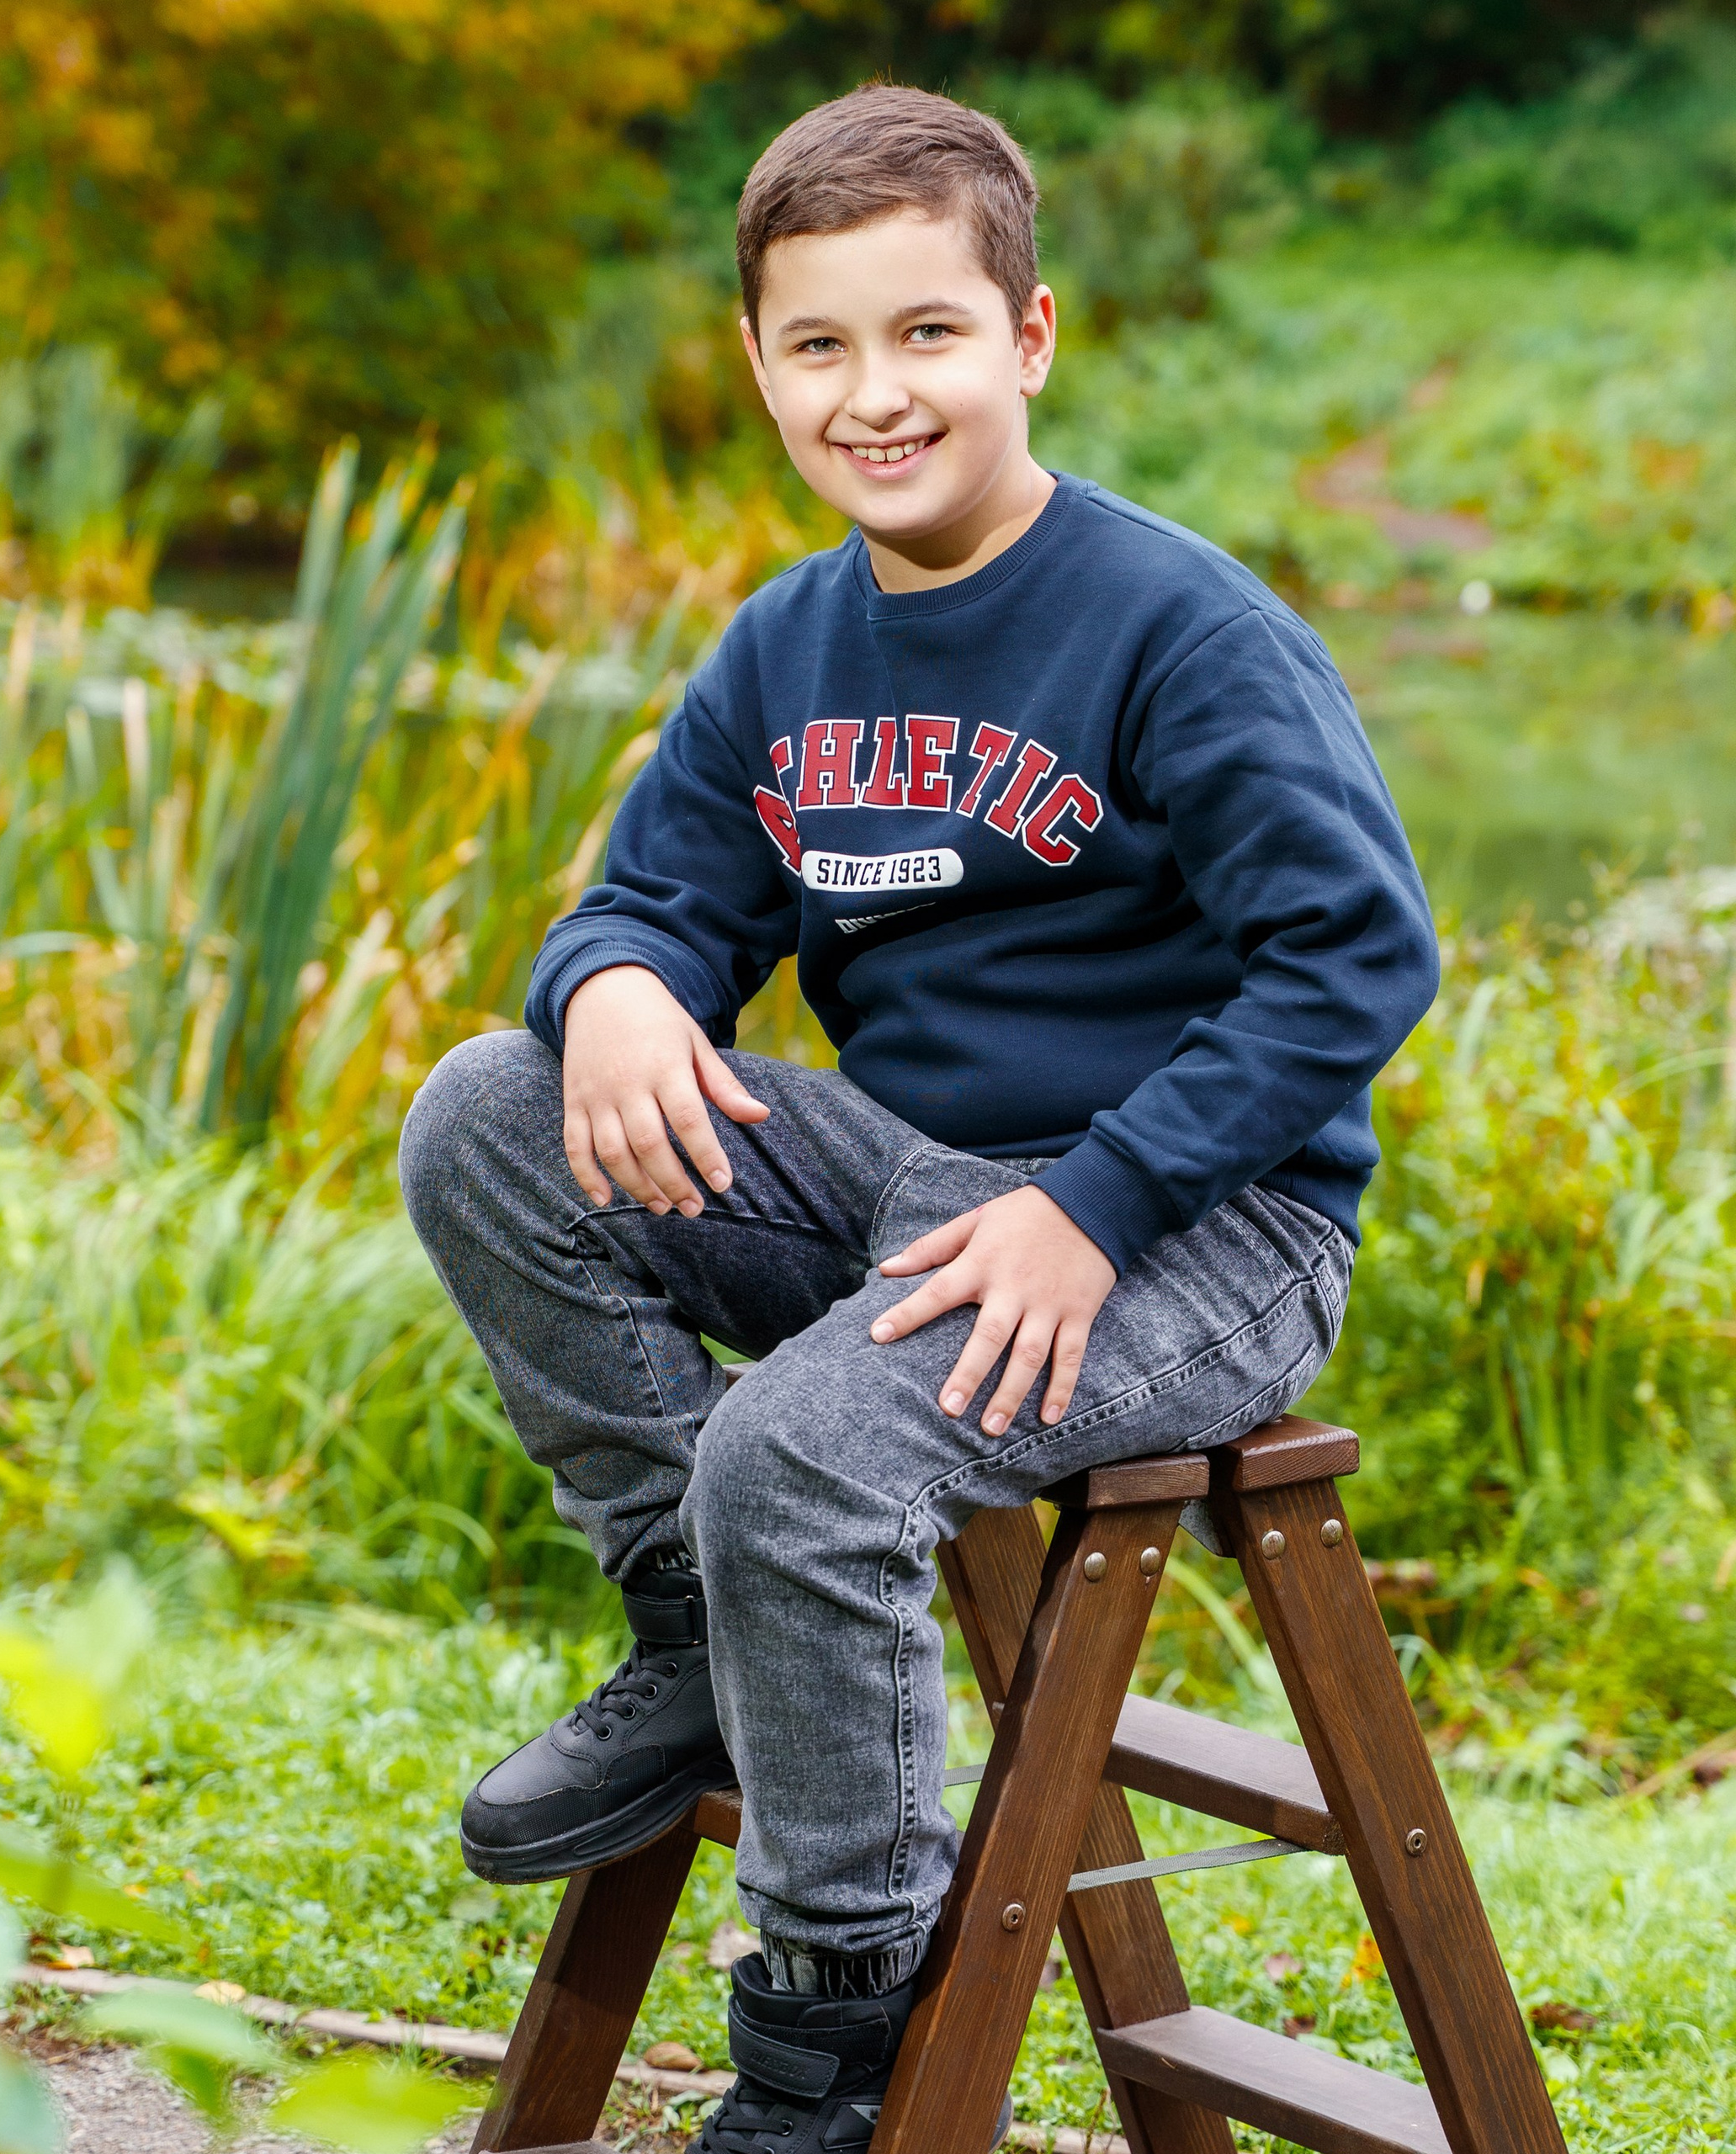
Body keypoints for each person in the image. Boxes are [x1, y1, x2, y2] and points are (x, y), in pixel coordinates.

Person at [399, 81, 1439, 2153]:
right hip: (910, 1175)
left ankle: (831, 2032)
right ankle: (696, 1622)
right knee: (485, 1107)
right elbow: (652, 896)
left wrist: (1100, 1202)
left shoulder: (1177, 630)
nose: (876, 394)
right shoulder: (788, 644)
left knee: (794, 1450)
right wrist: (610, 985)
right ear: (762, 369)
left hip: (1198, 1227)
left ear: (1029, 336)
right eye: (821, 346)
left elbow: (1351, 960)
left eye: (927, 334)